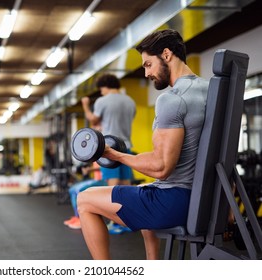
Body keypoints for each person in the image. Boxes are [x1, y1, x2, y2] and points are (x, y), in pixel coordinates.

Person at [77, 29, 209, 260]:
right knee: (141, 190)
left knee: (85, 199)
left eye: (148, 64)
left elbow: (161, 167)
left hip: (175, 203)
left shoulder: (171, 99)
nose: (146, 72)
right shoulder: (209, 90)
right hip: (206, 199)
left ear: (166, 55)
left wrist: (113, 154)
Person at [81, 73, 136, 234]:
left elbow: (93, 120)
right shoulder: (130, 101)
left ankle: (117, 222)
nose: (101, 92)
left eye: (101, 89)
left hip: (109, 148)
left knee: (112, 187)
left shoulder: (102, 101)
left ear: (104, 86)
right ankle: (131, 221)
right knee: (126, 185)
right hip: (127, 146)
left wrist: (85, 105)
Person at [64, 161, 105, 229]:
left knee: (78, 190)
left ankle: (81, 219)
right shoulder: (95, 156)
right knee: (71, 190)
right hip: (96, 179)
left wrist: (90, 169)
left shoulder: (104, 155)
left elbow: (107, 168)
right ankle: (77, 217)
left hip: (103, 181)